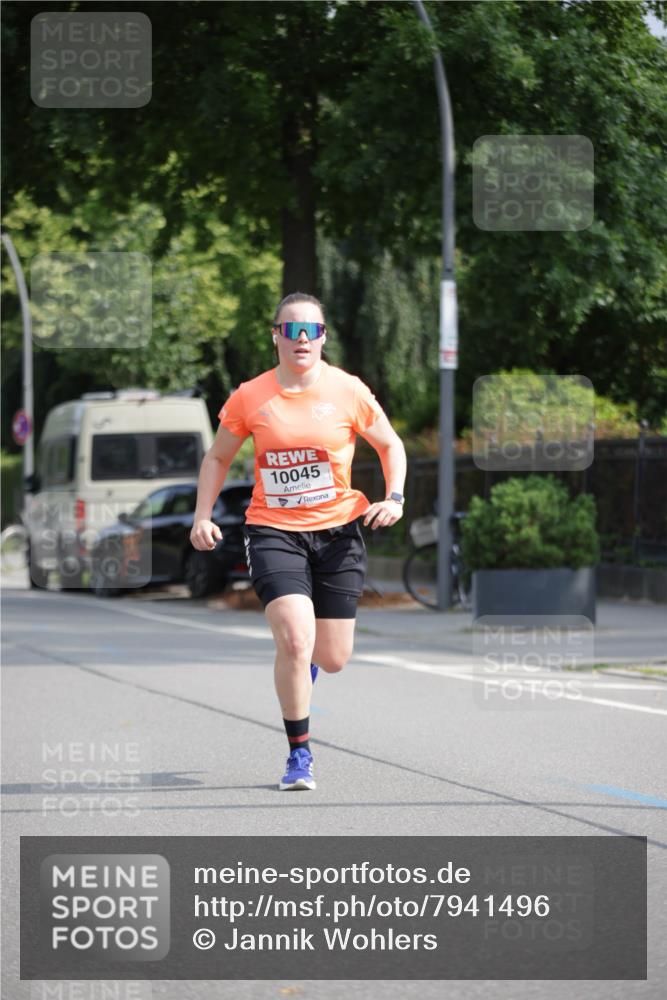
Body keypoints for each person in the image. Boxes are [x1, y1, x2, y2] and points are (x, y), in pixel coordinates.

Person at [190, 292, 407, 790]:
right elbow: (218, 457)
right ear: (276, 337)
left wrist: (394, 497)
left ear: (324, 337)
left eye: (312, 330)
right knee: (293, 637)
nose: (302, 339)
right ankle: (299, 755)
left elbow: (390, 444)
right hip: (273, 531)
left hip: (337, 532)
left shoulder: (348, 389)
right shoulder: (251, 396)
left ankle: (301, 663)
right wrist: (202, 516)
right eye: (292, 330)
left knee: (331, 657)